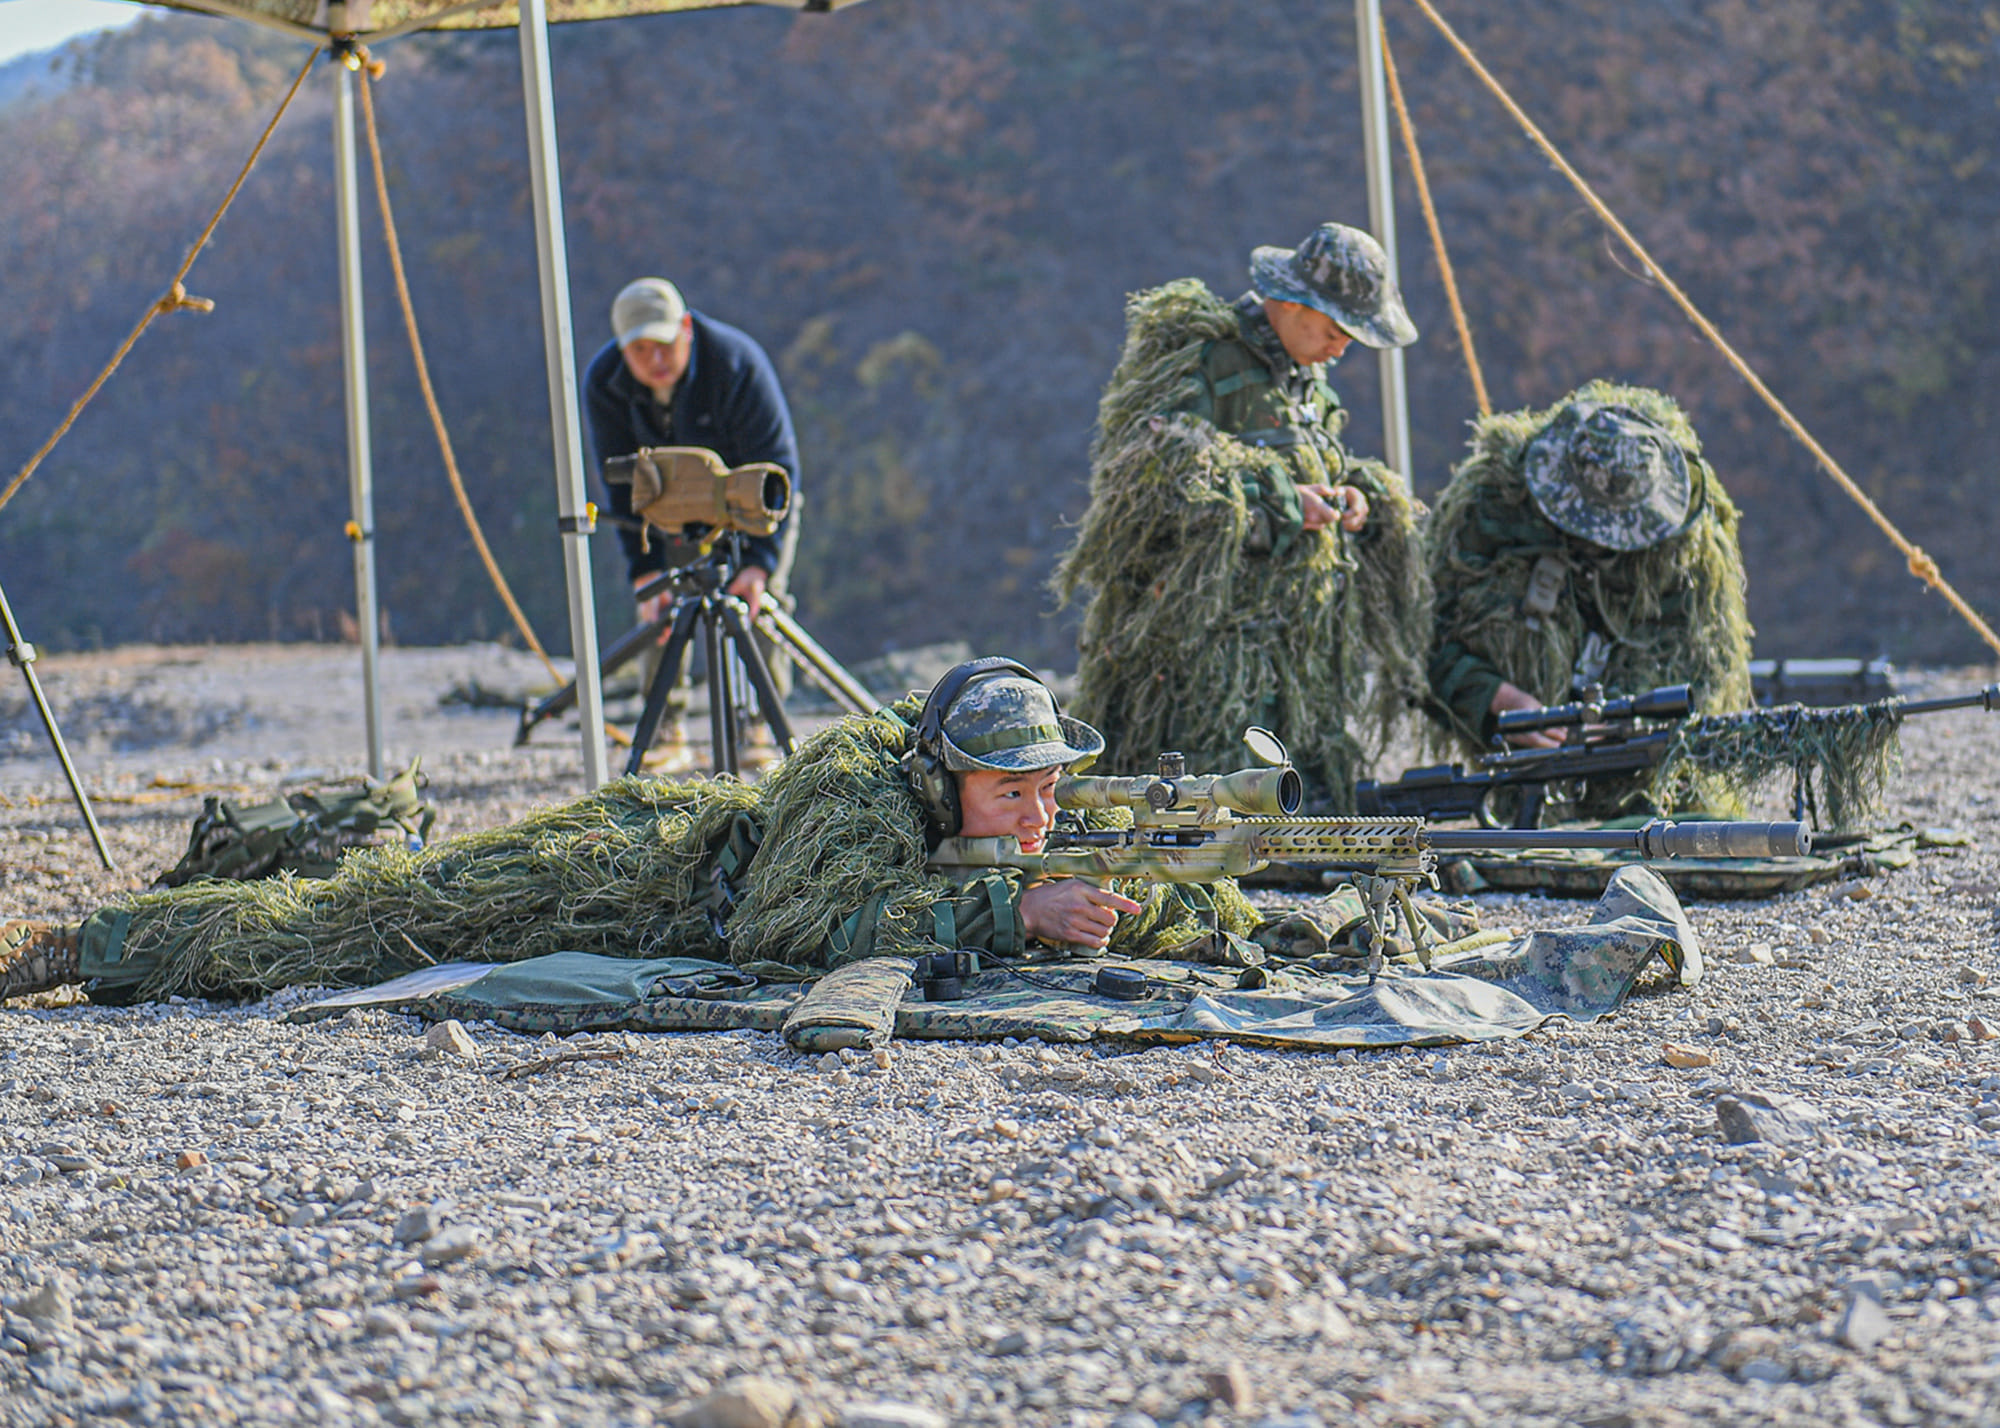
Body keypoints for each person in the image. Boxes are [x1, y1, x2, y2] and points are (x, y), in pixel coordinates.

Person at [0, 661, 1340, 1006]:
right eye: (1012, 798)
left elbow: (1100, 874)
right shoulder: (855, 797)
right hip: (616, 884)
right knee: (352, 931)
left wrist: (1152, 899)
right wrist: (1009, 914)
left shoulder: (1002, 802)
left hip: (673, 858)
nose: (1037, 819)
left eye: (1047, 792)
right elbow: (785, 931)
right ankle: (87, 946)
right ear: (941, 778)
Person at [1053, 222, 1431, 811]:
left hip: (1294, 648)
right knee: (1208, 812)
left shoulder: (1308, 383)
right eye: (1335, 330)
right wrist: (1285, 505)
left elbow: (1305, 463)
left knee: (1292, 810)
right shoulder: (1203, 360)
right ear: (1289, 303)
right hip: (1210, 658)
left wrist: (1352, 495)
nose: (1341, 349)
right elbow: (1154, 485)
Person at [1425, 381, 1753, 813]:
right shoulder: (1488, 514)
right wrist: (1496, 697)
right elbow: (1424, 645)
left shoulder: (1685, 549)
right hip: (1516, 749)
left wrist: (1624, 718)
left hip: (1640, 761)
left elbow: (1700, 668)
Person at [583, 277, 801, 707]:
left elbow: (779, 471)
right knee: (659, 606)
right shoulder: (605, 383)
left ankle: (763, 721)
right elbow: (623, 489)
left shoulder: (736, 364)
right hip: (666, 510)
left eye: (664, 343)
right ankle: (665, 723)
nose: (655, 359)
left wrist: (760, 562)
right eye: (640, 350)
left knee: (760, 602)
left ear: (685, 327)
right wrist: (643, 569)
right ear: (622, 349)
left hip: (753, 501)